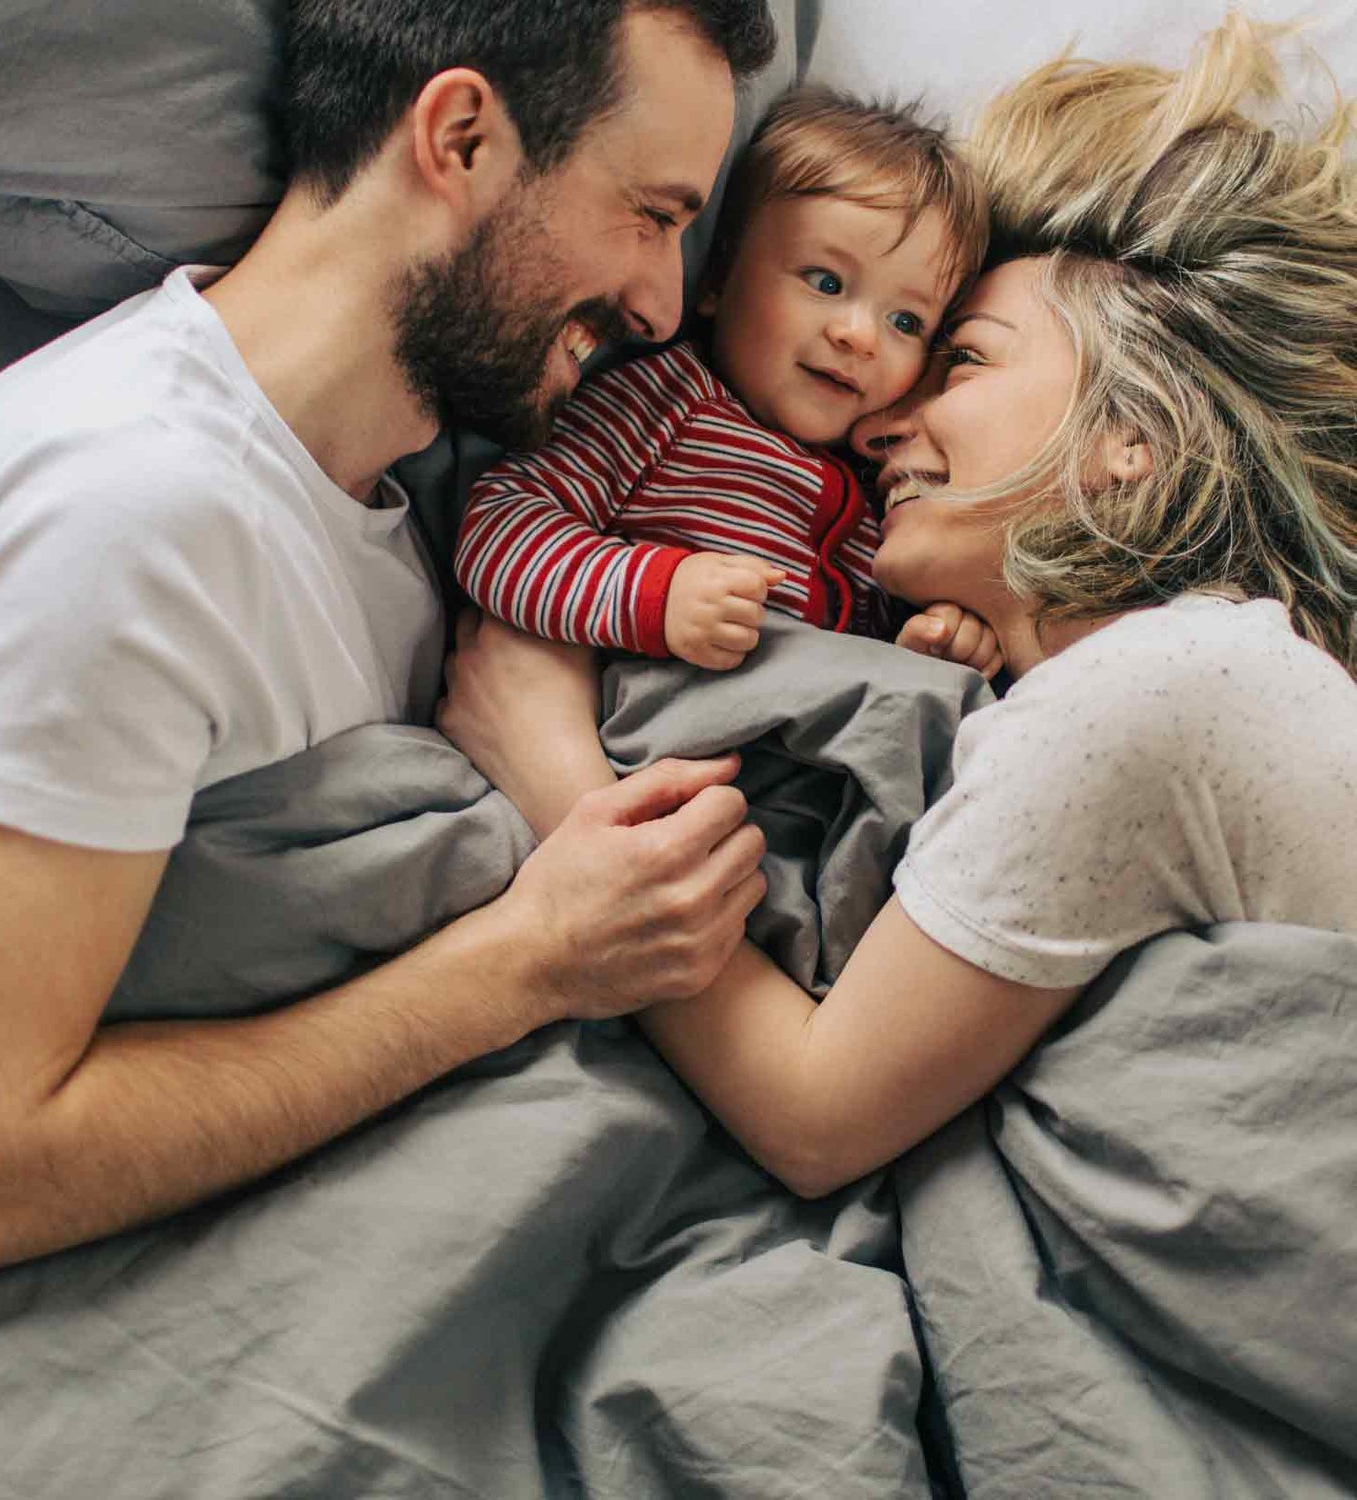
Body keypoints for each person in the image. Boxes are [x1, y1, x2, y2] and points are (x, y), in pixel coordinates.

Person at [0, 0, 782, 1280]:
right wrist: (531, 961)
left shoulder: (390, 497)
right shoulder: (124, 515)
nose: (664, 305)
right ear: (458, 138)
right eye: (653, 216)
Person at [438, 16, 1357, 1196]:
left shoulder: (1155, 688)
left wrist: (553, 767)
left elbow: (816, 1117)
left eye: (958, 356)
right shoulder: (1141, 680)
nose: (877, 422)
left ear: (1137, 439)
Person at [456, 87, 1001, 675]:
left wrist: (929, 640)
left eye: (905, 321)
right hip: (642, 712)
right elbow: (498, 526)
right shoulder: (661, 404)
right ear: (717, 278)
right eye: (825, 282)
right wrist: (660, 596)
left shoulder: (880, 477)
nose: (860, 336)